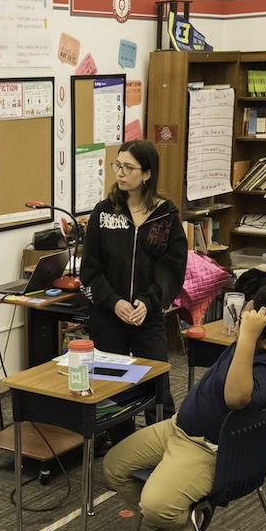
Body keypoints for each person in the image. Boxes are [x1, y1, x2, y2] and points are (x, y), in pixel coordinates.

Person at [104, 285, 266, 531]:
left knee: (155, 506)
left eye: (247, 324)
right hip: (180, 427)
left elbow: (236, 398)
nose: (240, 325)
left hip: (206, 448)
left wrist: (246, 338)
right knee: (115, 466)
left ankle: (191, 523)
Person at [79, 139, 187, 365]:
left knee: (154, 386)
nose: (120, 173)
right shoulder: (104, 212)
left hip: (146, 317)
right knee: (108, 385)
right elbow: (90, 269)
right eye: (117, 166)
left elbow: (172, 271)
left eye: (129, 168)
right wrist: (114, 302)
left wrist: (148, 302)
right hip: (108, 315)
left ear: (147, 174)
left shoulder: (165, 216)